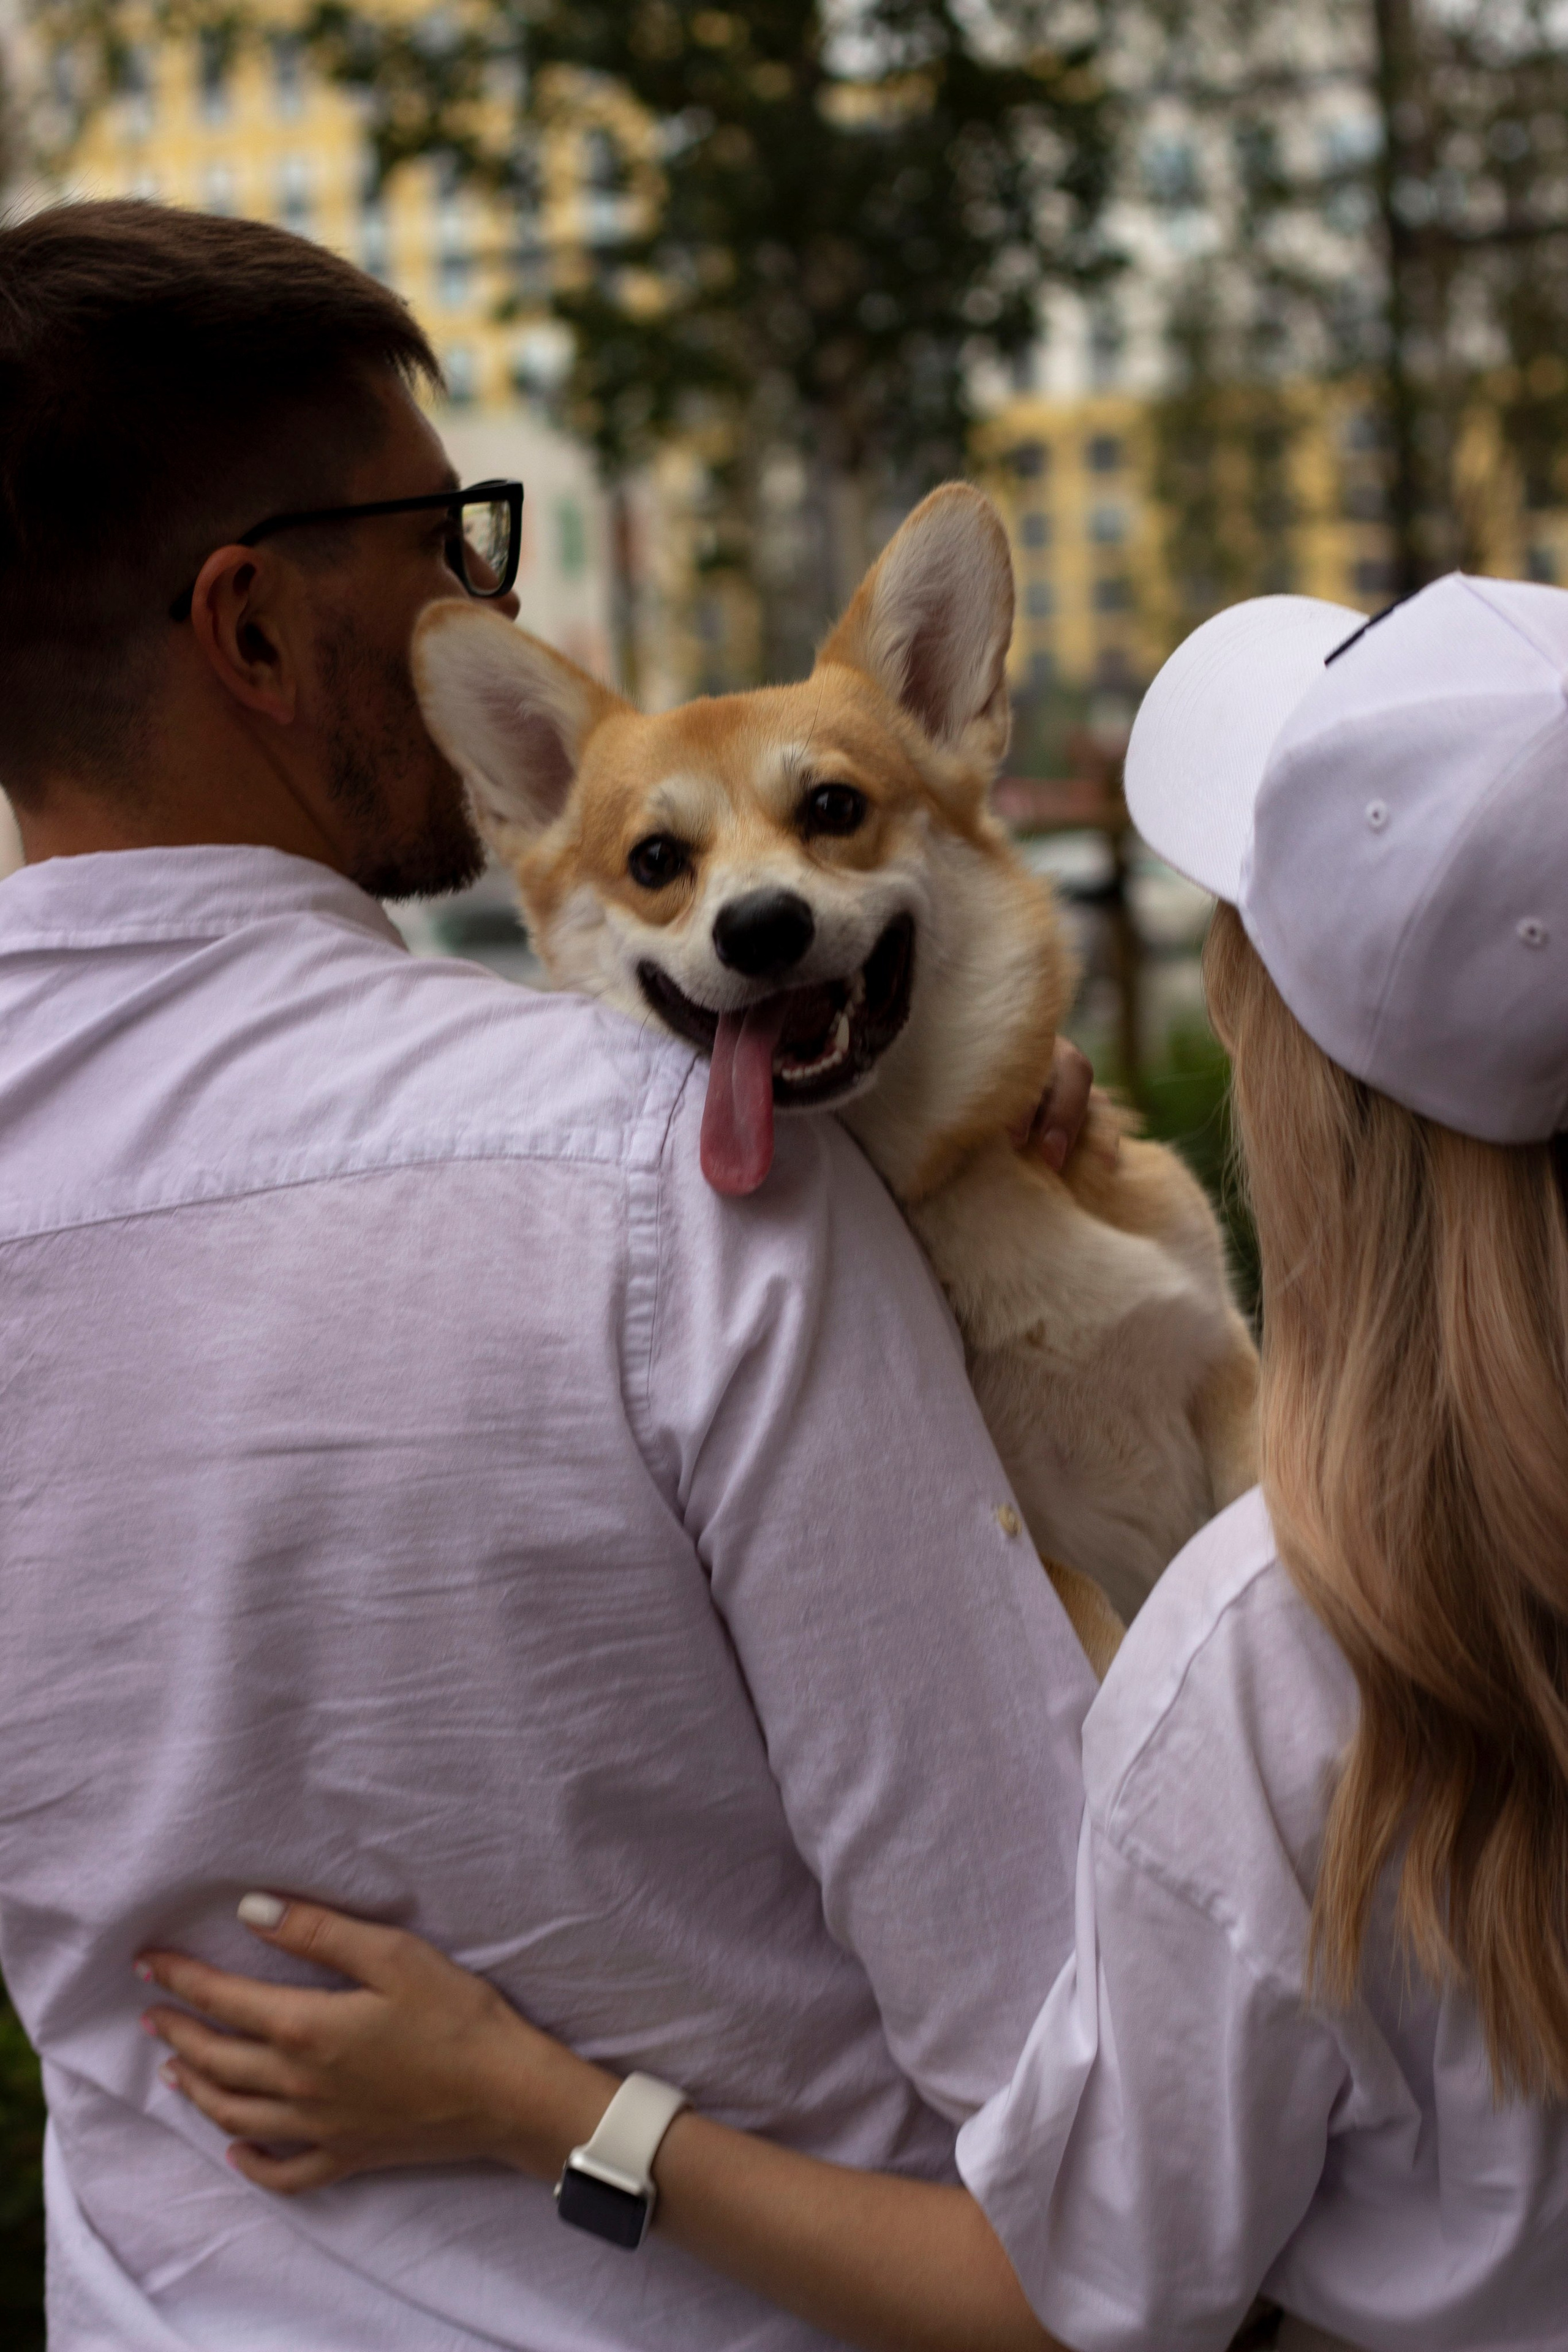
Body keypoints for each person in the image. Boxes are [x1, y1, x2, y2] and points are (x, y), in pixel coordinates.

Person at [142, 572, 1568, 2352]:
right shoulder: (1366, 1567)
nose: (752, 902)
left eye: (828, 817)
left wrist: (522, 2101)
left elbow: (1082, 2304)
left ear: (1273, 1050)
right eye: (666, 866)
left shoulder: (1267, 1669)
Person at [0, 201, 1098, 2351]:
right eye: (449, 542)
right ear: (255, 626)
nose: (493, 606)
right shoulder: (669, 1174)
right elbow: (1088, 2127)